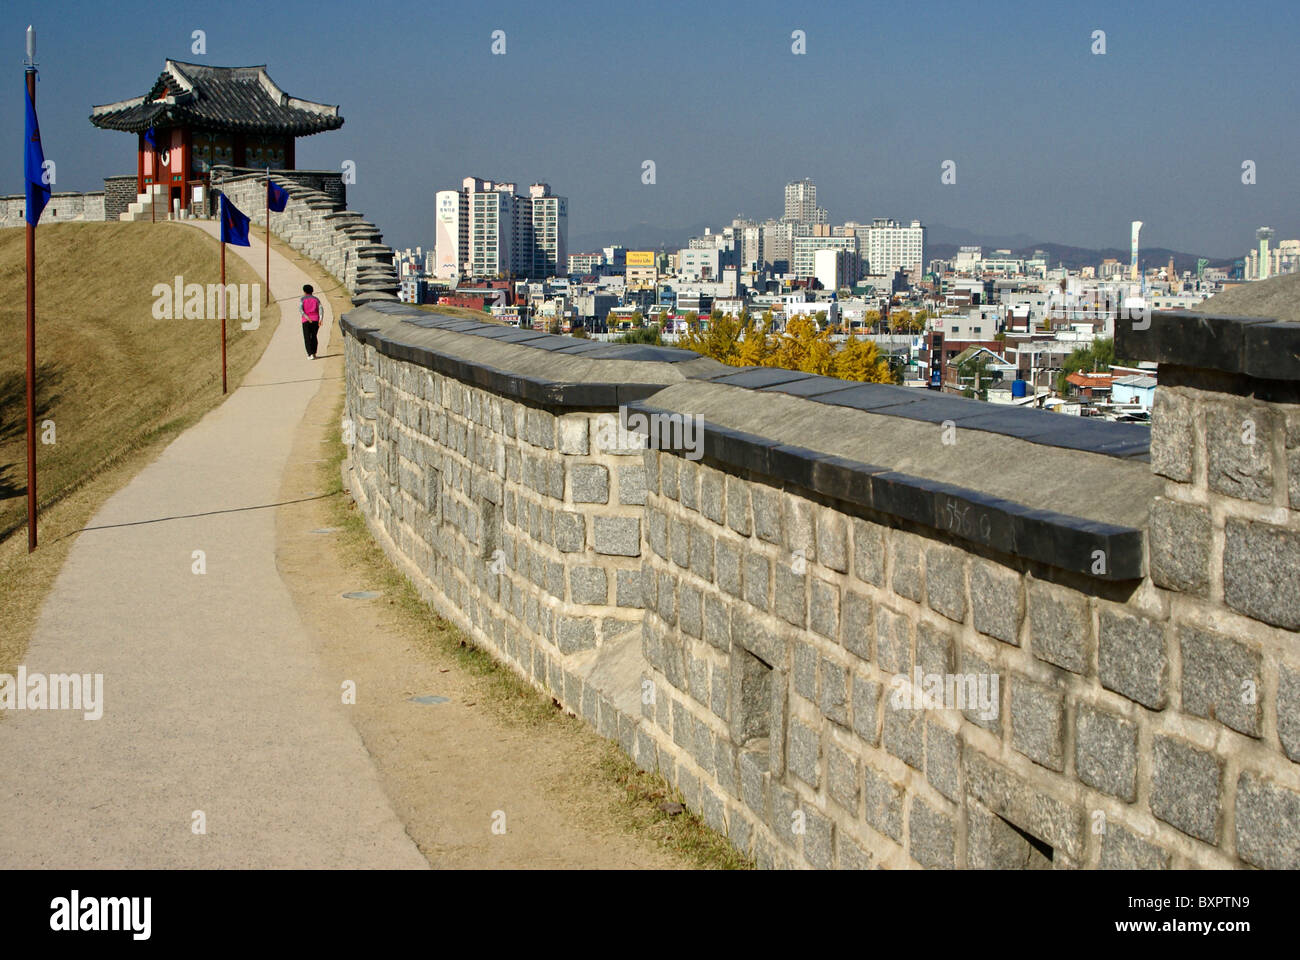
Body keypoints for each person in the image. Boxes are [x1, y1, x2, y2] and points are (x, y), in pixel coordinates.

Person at [300, 284, 322, 359]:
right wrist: (321, 319)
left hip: (306, 320)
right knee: (314, 336)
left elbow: (301, 310)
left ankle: (310, 354)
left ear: (304, 291)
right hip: (315, 320)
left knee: (307, 337)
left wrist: (307, 318)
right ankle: (314, 352)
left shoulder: (302, 299)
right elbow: (321, 310)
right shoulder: (316, 299)